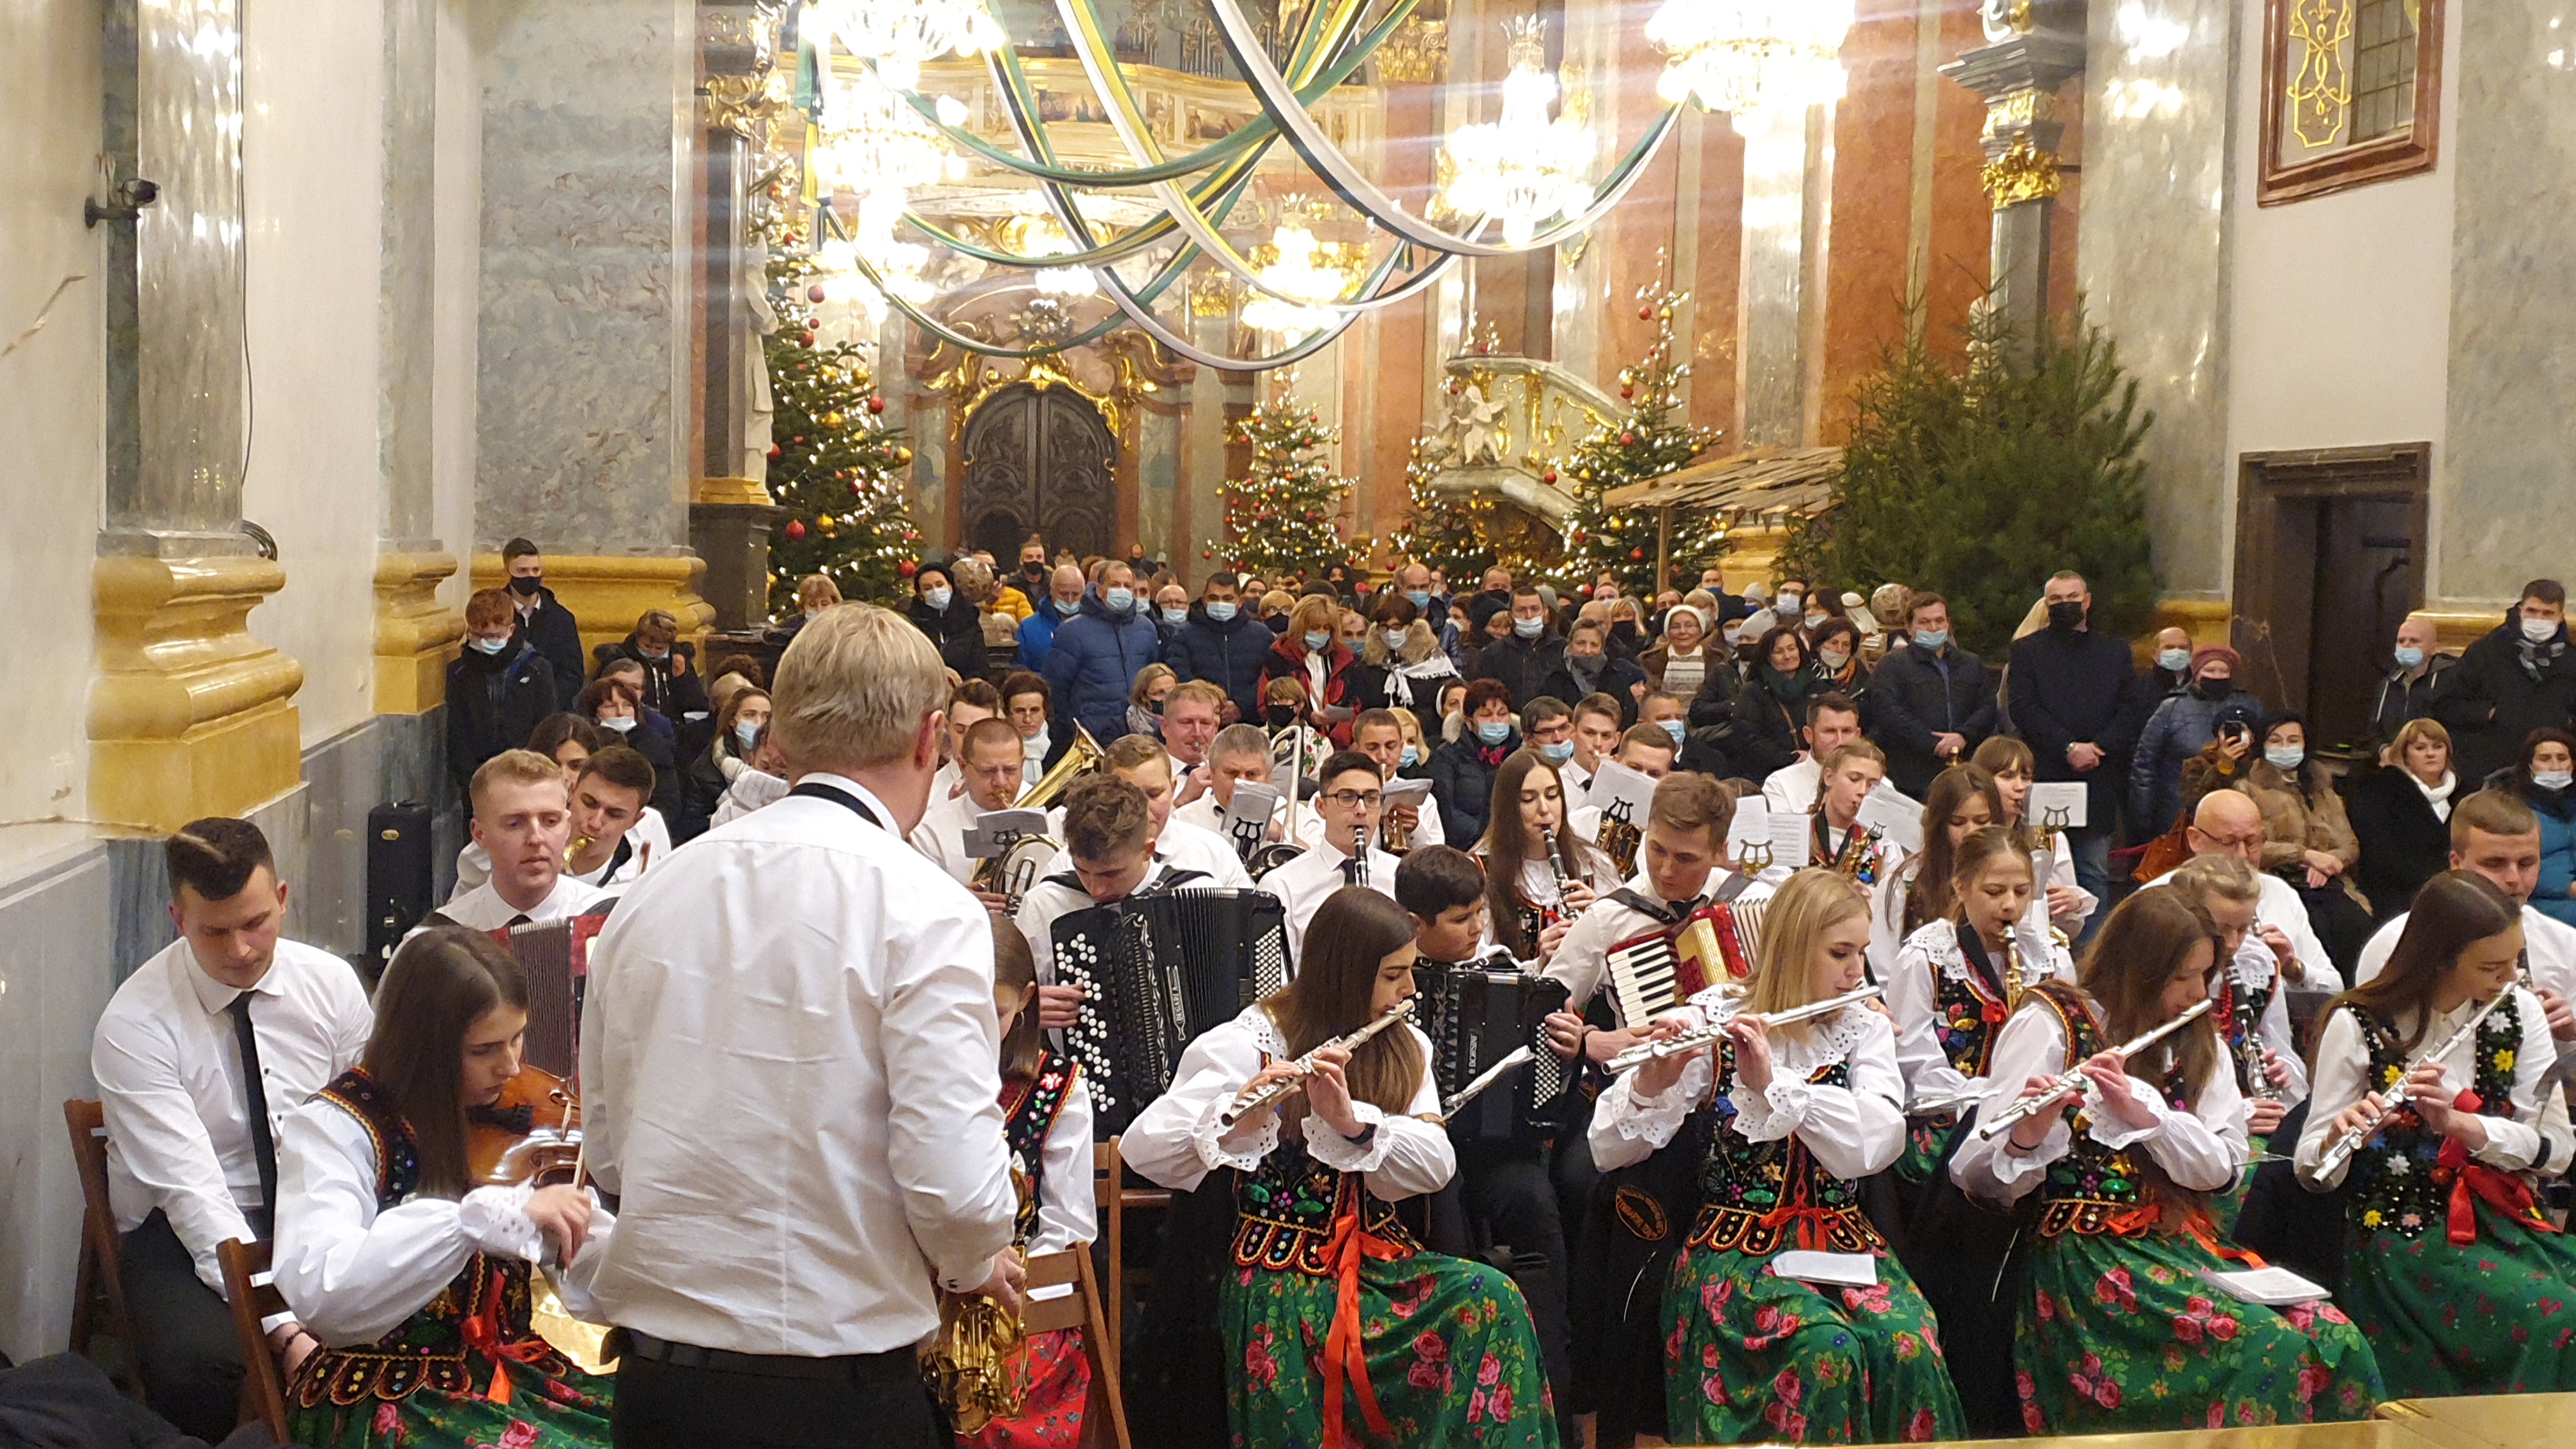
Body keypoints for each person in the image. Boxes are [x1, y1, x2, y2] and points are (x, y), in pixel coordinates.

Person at [580, 604, 1023, 1448]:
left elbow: (606, 1152)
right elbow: (955, 1188)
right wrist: (973, 1261)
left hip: (663, 1390)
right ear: (932, 739)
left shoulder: (653, 892)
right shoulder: (928, 909)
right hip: (837, 1391)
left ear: (779, 737)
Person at [1121, 888, 1558, 1448]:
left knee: (1492, 1297)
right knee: (1289, 1326)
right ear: (1345, 976)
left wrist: (1354, 1124)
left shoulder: (1406, 1046)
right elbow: (1143, 1149)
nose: (1410, 989)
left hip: (1376, 1269)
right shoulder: (1250, 1042)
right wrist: (1235, 1118)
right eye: (1394, 976)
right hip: (1276, 1278)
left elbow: (1436, 1164)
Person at [1952, 890, 2384, 1434]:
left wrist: (2150, 1119)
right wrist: (2028, 1135)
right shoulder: (2053, 1022)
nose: (2199, 994)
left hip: (2181, 1244)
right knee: (2267, 1349)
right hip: (2087, 1261)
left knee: (2337, 1340)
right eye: (2183, 977)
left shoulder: (2199, 1040)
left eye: (2206, 975)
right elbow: (1976, 1177)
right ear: (2138, 971)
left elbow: (2223, 1171)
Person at [1592, 869, 1968, 1445]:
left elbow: (1876, 1141)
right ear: (1792, 948)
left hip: (1843, 1245)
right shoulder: (1714, 1018)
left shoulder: (1863, 1027)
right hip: (1738, 1251)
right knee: (1825, 1347)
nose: (1857, 972)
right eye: (1840, 953)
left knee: (1907, 1344)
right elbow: (1606, 1149)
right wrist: (1652, 1081)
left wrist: (1778, 1087)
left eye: (1862, 952)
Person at [272, 926, 618, 1446]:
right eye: (484, 1049)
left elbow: (586, 1270)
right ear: (423, 1047)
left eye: (517, 1038)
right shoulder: (338, 1127)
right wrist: (476, 1220)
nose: (512, 1066)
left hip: (510, 1373)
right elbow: (327, 1292)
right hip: (389, 1393)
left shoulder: (508, 1122)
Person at [90, 819, 371, 1439]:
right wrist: (283, 1327)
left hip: (312, 1200)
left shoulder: (330, 985)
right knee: (207, 1367)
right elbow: (194, 1197)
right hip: (178, 1229)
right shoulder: (134, 1024)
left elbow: (367, 1125)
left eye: (256, 924)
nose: (241, 950)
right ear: (178, 919)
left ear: (283, 899)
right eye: (215, 932)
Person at [2296, 871, 2576, 1399]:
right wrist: (2342, 1135)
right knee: (2560, 1320)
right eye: (2491, 967)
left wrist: (2464, 1126)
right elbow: (2311, 1170)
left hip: (2507, 1221)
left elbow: (2556, 1151)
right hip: (2402, 1236)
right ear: (2440, 959)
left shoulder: (2520, 1012)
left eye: (2516, 960)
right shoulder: (2360, 1022)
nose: (2512, 977)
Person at [1394, 846, 1577, 1438]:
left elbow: (1547, 1075)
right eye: (1460, 919)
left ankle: (1552, 1379)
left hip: (1498, 1147)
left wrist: (1564, 1051)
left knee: (1533, 1201)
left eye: (1479, 913)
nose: (1477, 927)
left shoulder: (1507, 973)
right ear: (1416, 925)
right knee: (1440, 1208)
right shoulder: (1389, 980)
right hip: (1417, 1155)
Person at [960, 919, 1098, 1449]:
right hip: (926, 1292)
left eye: (994, 1013)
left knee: (1000, 1398)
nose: (976, 1030)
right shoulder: (918, 1073)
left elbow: (1069, 1226)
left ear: (1025, 1001)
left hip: (1020, 1299)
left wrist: (1007, 1291)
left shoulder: (1056, 1087)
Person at [1885, 824, 2074, 1183]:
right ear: (1961, 888)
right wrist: (1988, 1097)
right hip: (1949, 1114)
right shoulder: (1925, 958)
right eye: (1994, 892)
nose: (2010, 905)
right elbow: (1912, 1063)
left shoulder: (2050, 957)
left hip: (2035, 1114)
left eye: (2022, 892)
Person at [2351, 791, 2576, 1049]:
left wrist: (2571, 1035)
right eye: (2495, 864)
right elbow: (2371, 1043)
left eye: (2526, 863)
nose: (2514, 879)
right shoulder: (2395, 944)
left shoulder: (2565, 942)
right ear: (2456, 862)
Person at [2008, 571, 2146, 911]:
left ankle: (2092, 944)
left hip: (2097, 777)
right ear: (2046, 604)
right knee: (2039, 873)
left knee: (2093, 873)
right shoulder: (2027, 651)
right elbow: (2023, 708)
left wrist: (2098, 747)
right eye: (2056, 599)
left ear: (2087, 601)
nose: (2065, 604)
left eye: (2072, 597)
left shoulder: (2115, 651)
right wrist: (2067, 747)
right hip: (2047, 773)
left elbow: (2131, 708)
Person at [2144, 790, 2339, 988]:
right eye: (2229, 842)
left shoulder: (2280, 892)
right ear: (2195, 839)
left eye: (2251, 842)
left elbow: (2335, 987)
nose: (2242, 855)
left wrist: (2294, 969)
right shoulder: (2158, 900)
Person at [2240, 710, 2375, 972]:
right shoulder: (2247, 788)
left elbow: (2350, 844)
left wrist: (2330, 863)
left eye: (2293, 740)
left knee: (2357, 924)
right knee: (2315, 928)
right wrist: (2305, 856)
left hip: (2328, 881)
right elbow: (2250, 846)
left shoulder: (2322, 787)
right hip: (2279, 879)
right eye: (2276, 740)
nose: (2285, 747)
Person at [1027, 733, 1250, 889]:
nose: (1142, 809)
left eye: (1154, 794)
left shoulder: (1214, 852)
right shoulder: (1071, 863)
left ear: (1173, 788)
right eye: (1127, 795)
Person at [433, 751, 611, 930]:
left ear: (567, 827)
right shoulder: (446, 935)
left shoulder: (609, 922)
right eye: (515, 824)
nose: (536, 838)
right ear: (479, 835)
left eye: (551, 821)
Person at [1259, 750, 1404, 959]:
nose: (1361, 810)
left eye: (1371, 798)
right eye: (1347, 797)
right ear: (1321, 807)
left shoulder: (1401, 875)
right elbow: (1278, 971)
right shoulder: (1282, 884)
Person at [1867, 763, 2005, 980]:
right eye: (1958, 822)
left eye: (1981, 821)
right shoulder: (1905, 884)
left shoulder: (2015, 880)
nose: (1971, 832)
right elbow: (1883, 970)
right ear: (1939, 825)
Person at [1474, 751, 1611, 968]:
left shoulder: (1593, 862)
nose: (1545, 810)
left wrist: (1602, 915)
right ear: (1508, 808)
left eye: (1552, 795)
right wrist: (1538, 963)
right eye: (1528, 799)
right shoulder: (1480, 871)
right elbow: (1477, 962)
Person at [2433, 579, 2576, 786]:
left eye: (2548, 613)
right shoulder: (2485, 652)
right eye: (2532, 611)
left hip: (2554, 772)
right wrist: (2489, 713)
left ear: (2561, 616)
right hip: (2491, 766)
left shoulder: (2571, 660)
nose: (2539, 619)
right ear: (2520, 610)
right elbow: (2446, 705)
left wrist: (2566, 723)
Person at [1866, 592, 2000, 800]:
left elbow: (1987, 706)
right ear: (1909, 627)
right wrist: (1932, 742)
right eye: (1924, 622)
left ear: (1948, 623)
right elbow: (1889, 712)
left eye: (1939, 621)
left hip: (1964, 768)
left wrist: (1963, 736)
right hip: (1910, 775)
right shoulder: (1892, 666)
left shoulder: (1971, 664)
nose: (1933, 627)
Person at [1972, 735, 2101, 940]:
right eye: (2007, 777)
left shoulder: (2051, 838)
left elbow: (2069, 931)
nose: (2020, 787)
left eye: (2026, 778)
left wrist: (2072, 905)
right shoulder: (1968, 834)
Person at [2129, 645, 2266, 837]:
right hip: (2178, 811)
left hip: (2238, 807)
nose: (2217, 676)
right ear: (2197, 672)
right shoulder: (2172, 707)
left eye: (2224, 671)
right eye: (2210, 670)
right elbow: (2145, 762)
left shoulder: (2251, 706)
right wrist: (2143, 816)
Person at [2348, 718, 2462, 928]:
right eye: (2420, 748)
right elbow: (2378, 854)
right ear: (2405, 754)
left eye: (2438, 747)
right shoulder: (2382, 788)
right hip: (2394, 892)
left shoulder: (2464, 794)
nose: (2431, 754)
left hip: (2454, 890)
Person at [449, 586, 561, 797]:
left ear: (510, 630)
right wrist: (467, 777)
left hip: (527, 771)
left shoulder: (536, 668)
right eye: (478, 635)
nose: (485, 642)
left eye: (494, 636)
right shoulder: (460, 672)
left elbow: (546, 723)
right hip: (476, 773)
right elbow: (458, 729)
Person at [1043, 561, 1162, 745]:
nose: (1122, 591)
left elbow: (1152, 677)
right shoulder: (1072, 631)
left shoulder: (1146, 628)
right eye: (1115, 585)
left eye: (1127, 586)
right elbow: (1056, 686)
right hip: (1092, 732)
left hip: (1137, 731)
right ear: (1100, 590)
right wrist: (1072, 726)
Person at [910, 717, 1029, 890]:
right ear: (964, 767)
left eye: (1010, 770)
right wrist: (963, 900)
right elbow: (919, 897)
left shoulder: (1050, 815)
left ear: (1022, 764)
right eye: (988, 771)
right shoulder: (931, 832)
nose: (1001, 782)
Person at [592, 609, 711, 751]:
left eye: (660, 649)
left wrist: (682, 678)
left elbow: (696, 704)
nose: (652, 652)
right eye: (647, 646)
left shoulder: (678, 661)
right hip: (637, 728)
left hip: (674, 730)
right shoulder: (620, 660)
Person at [576, 677, 684, 825]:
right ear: (594, 714)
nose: (621, 712)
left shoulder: (654, 743)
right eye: (611, 706)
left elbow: (669, 801)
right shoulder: (582, 744)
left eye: (627, 705)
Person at [1259, 594, 1360, 749]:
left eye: (1327, 628)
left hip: (1339, 741)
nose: (1321, 633)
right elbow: (1265, 706)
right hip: (1295, 740)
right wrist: (1307, 717)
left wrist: (1338, 725)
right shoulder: (1278, 659)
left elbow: (1356, 705)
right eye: (1315, 627)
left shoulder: (1344, 658)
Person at [1169, 571, 1268, 724]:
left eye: (1228, 598)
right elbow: (1179, 674)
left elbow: (1268, 676)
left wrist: (1241, 706)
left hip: (1250, 723)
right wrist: (1209, 704)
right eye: (1213, 598)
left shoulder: (1261, 634)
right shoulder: (1184, 635)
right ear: (1204, 601)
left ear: (1240, 601)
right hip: (1201, 722)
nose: (1220, 603)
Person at [1431, 678, 1520, 846]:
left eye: (1502, 714)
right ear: (1469, 722)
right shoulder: (1448, 756)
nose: (1496, 721)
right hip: (1466, 845)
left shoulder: (1521, 753)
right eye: (1486, 715)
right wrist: (1486, 836)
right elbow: (1446, 810)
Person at [1357, 595, 1460, 739]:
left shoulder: (1436, 664)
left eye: (1397, 627)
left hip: (1428, 739)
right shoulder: (1369, 666)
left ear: (1411, 627)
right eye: (1384, 627)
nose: (1390, 633)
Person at [1726, 625, 1817, 783]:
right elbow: (1748, 737)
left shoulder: (1816, 686)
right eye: (1779, 651)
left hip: (1814, 769)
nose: (1787, 656)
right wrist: (1790, 758)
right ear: (1767, 657)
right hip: (1770, 775)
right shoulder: (1754, 691)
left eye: (1792, 648)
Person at [1805, 740, 1903, 885]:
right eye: (1854, 779)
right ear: (1829, 777)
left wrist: (1871, 895)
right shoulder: (1799, 832)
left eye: (1872, 785)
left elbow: (1895, 894)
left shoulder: (1884, 843)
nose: (1863, 791)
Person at [681, 686, 772, 835]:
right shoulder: (705, 769)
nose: (759, 722)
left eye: (766, 716)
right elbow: (691, 825)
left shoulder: (784, 762)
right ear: (732, 721)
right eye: (749, 715)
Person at [502, 538, 587, 693]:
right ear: (507, 572)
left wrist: (548, 700)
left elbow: (572, 674)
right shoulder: (494, 614)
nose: (530, 576)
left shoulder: (561, 619)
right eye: (522, 571)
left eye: (536, 570)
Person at [1351, 708, 1445, 848]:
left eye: (1391, 747)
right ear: (1356, 750)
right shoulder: (1336, 798)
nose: (1383, 756)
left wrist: (1415, 831)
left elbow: (1437, 857)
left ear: (1400, 748)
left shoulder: (1425, 800)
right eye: (1373, 748)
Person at [1470, 585, 1570, 709]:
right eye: (1521, 610)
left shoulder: (1564, 649)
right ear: (1511, 615)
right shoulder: (1493, 653)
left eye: (1535, 609)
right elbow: (1483, 695)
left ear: (1545, 612)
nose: (1529, 615)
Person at [2371, 615, 2455, 759]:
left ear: (2433, 649)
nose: (2406, 645)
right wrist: (2384, 750)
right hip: (2395, 762)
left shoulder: (2450, 681)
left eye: (2414, 641)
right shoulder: (2389, 683)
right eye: (2401, 641)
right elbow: (2374, 731)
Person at [1542, 619, 1645, 728]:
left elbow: (1628, 718)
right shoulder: (1555, 678)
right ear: (1570, 643)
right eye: (1581, 643)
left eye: (1594, 645)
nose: (1587, 651)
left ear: (1602, 647)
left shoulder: (1616, 679)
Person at [908, 561, 990, 682]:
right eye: (928, 588)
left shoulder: (968, 618)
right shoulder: (913, 622)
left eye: (940, 584)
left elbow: (980, 666)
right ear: (921, 595)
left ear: (951, 587)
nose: (935, 591)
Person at [1636, 604, 1716, 702]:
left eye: (1689, 626)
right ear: (1668, 632)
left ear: (1700, 630)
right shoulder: (1651, 662)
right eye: (1675, 627)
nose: (1682, 631)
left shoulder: (1715, 659)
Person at [1016, 564, 1089, 672]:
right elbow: (1020, 671)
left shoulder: (1096, 626)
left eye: (1076, 594)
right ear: (1052, 591)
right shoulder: (1028, 628)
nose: (1070, 600)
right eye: (1063, 594)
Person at [1001, 670, 1061, 784]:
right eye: (1020, 711)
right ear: (1007, 714)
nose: (1027, 719)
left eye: (1035, 710)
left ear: (1045, 712)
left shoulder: (1062, 745)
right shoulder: (995, 747)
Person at [1563, 694, 1623, 802]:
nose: (1598, 743)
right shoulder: (1555, 783)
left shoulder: (1624, 788)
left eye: (1606, 735)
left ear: (1616, 740)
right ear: (1572, 733)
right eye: (1590, 733)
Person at [1807, 616, 1867, 701]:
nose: (1839, 650)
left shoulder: (1860, 674)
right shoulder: (1806, 673)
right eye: (1834, 643)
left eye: (1846, 645)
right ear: (1819, 646)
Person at [777, 574, 844, 641]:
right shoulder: (791, 627)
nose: (819, 610)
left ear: (835, 604)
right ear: (803, 607)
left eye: (824, 604)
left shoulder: (844, 628)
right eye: (812, 605)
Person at [1125, 661, 1176, 739]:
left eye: (1173, 692)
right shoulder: (1118, 728)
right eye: (1160, 693)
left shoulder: (1185, 722)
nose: (1168, 698)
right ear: (1144, 697)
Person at [2148, 625, 2196, 696]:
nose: (2177, 652)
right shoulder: (2142, 685)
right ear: (2154, 652)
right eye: (2170, 648)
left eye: (2183, 648)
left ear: (2191, 651)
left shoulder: (2198, 682)